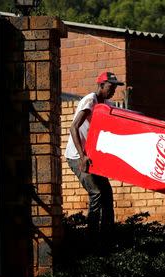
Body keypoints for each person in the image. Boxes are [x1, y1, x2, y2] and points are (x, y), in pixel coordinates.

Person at [64, 71, 124, 242]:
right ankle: (91, 239)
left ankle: (107, 238)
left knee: (107, 192)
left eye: (115, 88)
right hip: (77, 156)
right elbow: (73, 127)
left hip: (91, 157)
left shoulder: (105, 103)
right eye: (110, 87)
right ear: (101, 85)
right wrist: (82, 156)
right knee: (96, 192)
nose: (113, 91)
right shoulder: (90, 100)